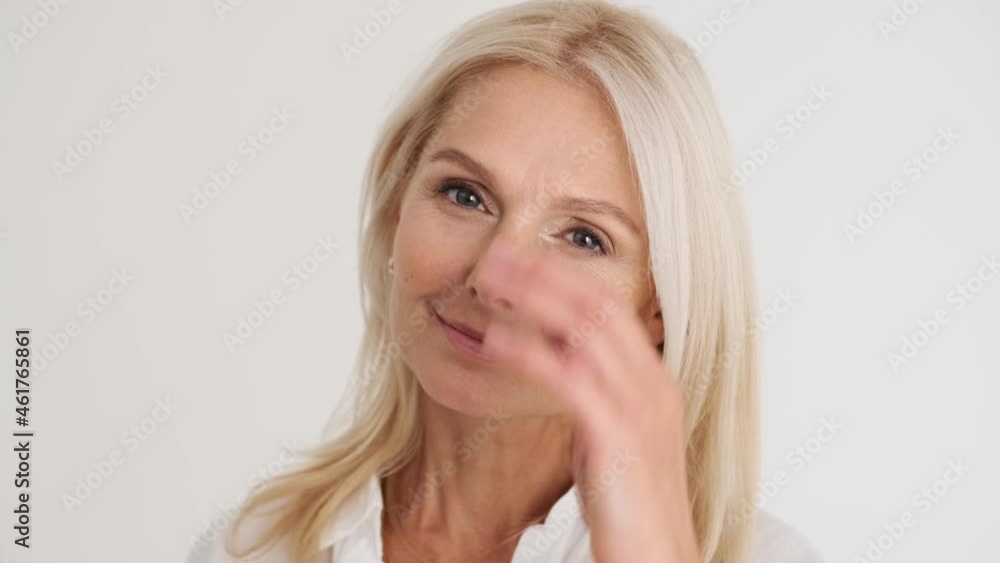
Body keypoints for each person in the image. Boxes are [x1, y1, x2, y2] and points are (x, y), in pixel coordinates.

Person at [189, 1, 826, 562]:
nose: (494, 280)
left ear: (657, 310)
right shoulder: (252, 547)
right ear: (395, 210)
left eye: (583, 238)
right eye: (465, 195)